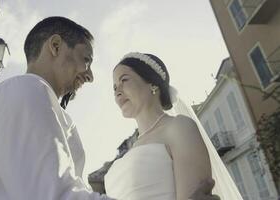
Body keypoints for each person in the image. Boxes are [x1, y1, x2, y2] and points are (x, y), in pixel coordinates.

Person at [0, 17, 219, 200]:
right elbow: (56, 195)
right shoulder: (26, 91)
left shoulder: (38, 101)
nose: (89, 76)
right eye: (85, 60)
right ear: (55, 46)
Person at [104, 52, 243, 200]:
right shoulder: (130, 151)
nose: (117, 92)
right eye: (114, 88)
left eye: (124, 80)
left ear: (152, 84)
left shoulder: (179, 128)